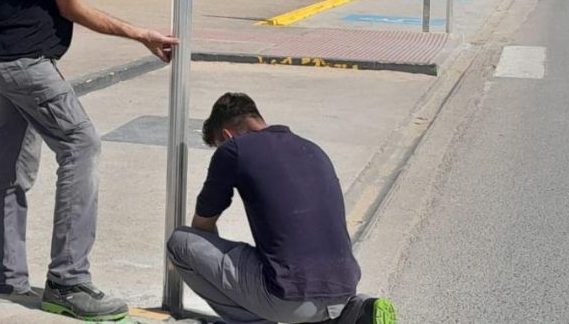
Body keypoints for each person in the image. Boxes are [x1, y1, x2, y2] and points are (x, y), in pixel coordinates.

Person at [0, 0, 179, 320]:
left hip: (7, 56)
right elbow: (72, 7)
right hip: (22, 61)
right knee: (82, 144)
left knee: (11, 167)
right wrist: (142, 34)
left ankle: (4, 279)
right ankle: (69, 282)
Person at [167, 93, 397, 324]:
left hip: (287, 297)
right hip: (344, 288)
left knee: (180, 242)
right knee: (282, 267)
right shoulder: (314, 149)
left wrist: (225, 281)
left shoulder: (234, 149)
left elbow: (202, 226)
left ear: (226, 134)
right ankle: (351, 314)